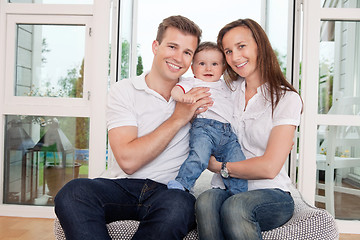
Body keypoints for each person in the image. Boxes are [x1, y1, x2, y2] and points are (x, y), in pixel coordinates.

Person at [54, 15, 213, 240]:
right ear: (156, 46)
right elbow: (128, 161)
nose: (178, 57)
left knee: (180, 205)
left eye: (187, 52)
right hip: (119, 186)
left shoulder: (197, 94)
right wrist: (178, 118)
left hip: (167, 191)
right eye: (172, 46)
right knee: (73, 192)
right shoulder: (124, 90)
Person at [195, 18, 303, 240]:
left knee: (235, 207)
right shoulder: (223, 92)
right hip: (225, 188)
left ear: (259, 46)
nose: (235, 57)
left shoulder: (286, 99)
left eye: (241, 46)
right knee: (205, 202)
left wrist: (221, 167)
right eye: (228, 51)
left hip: (271, 192)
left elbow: (269, 168)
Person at [167, 41, 247, 195]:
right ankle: (182, 184)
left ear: (223, 68)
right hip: (204, 128)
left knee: (237, 161)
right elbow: (175, 91)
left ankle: (238, 194)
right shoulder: (192, 82)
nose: (208, 68)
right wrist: (183, 97)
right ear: (192, 68)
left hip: (228, 133)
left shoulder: (227, 84)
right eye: (202, 63)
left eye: (215, 64)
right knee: (199, 156)